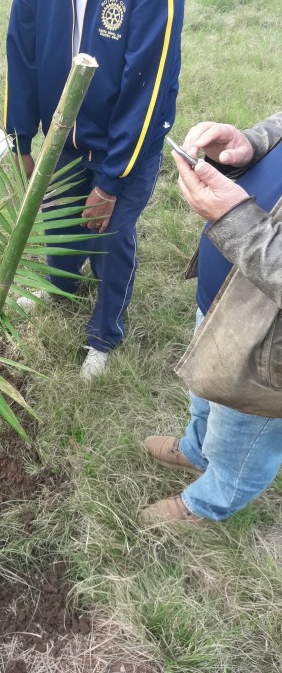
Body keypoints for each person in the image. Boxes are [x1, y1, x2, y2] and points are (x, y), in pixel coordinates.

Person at [5, 0, 188, 381]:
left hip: (125, 138)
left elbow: (150, 77)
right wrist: (19, 136)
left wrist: (112, 179)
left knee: (110, 234)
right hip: (63, 129)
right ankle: (60, 284)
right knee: (61, 214)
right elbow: (21, 41)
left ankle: (105, 334)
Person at [140, 113, 282, 524]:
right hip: (223, 298)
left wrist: (236, 221)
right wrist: (251, 144)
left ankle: (207, 504)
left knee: (242, 446)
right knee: (204, 393)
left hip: (266, 349)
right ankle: (196, 450)